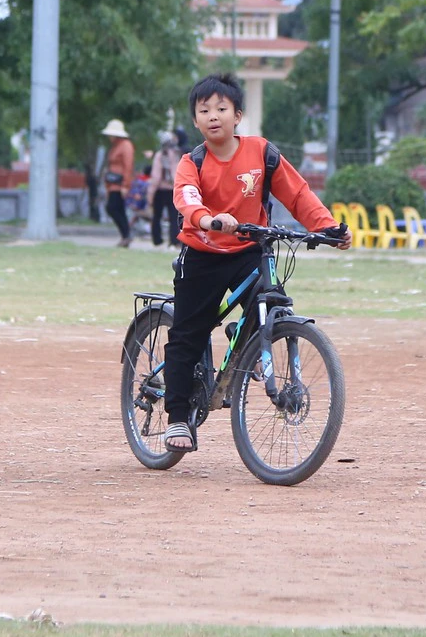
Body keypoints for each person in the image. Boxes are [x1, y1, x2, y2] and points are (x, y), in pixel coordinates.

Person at [162, 73, 348, 453]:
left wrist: (327, 228)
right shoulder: (192, 161)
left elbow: (297, 195)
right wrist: (208, 218)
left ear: (238, 115)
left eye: (221, 108)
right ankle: (178, 416)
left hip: (250, 248)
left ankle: (253, 337)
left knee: (271, 300)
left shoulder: (262, 153)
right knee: (187, 335)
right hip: (202, 252)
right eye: (204, 110)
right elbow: (187, 198)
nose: (213, 115)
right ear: (195, 121)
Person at [101, 119, 134, 247]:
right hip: (112, 184)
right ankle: (125, 236)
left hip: (119, 184)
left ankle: (126, 234)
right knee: (118, 209)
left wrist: (125, 185)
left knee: (112, 208)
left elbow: (128, 166)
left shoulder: (126, 145)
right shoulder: (115, 146)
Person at [149, 127, 183, 247]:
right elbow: (177, 173)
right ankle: (174, 240)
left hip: (160, 189)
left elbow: (156, 176)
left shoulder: (159, 155)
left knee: (157, 216)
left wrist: (150, 193)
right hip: (173, 189)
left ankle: (157, 240)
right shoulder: (177, 154)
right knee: (174, 216)